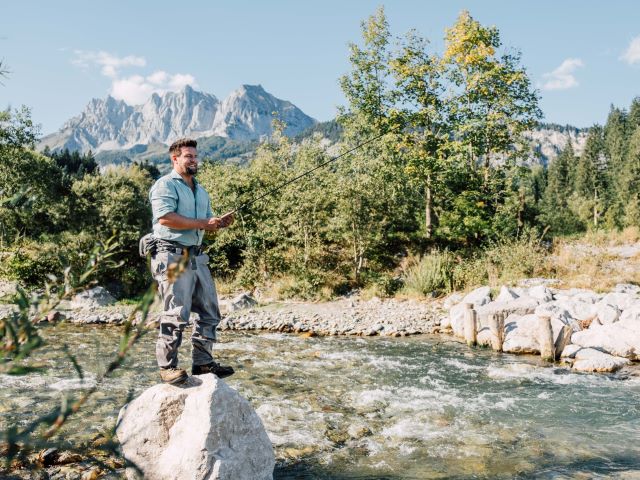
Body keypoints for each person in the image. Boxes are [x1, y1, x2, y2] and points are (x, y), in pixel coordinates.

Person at [148, 138, 235, 385]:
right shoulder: (164, 185)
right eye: (188, 156)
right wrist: (201, 223)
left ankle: (203, 363)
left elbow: (205, 223)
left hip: (197, 256)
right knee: (176, 313)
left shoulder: (201, 190)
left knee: (209, 312)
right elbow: (165, 218)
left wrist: (217, 224)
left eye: (195, 156)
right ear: (175, 159)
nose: (194, 160)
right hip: (172, 255)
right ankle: (167, 367)